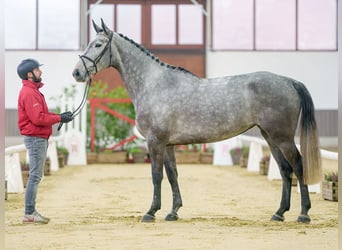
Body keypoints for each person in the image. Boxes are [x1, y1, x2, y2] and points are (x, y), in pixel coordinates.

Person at [17, 58, 73, 224]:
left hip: (38, 137)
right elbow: (37, 118)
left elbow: (41, 115)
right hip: (36, 138)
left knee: (36, 175)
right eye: (37, 70)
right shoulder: (29, 93)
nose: (40, 72)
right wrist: (58, 118)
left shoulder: (32, 91)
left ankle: (30, 212)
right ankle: (29, 213)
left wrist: (60, 116)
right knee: (35, 176)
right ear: (29, 74)